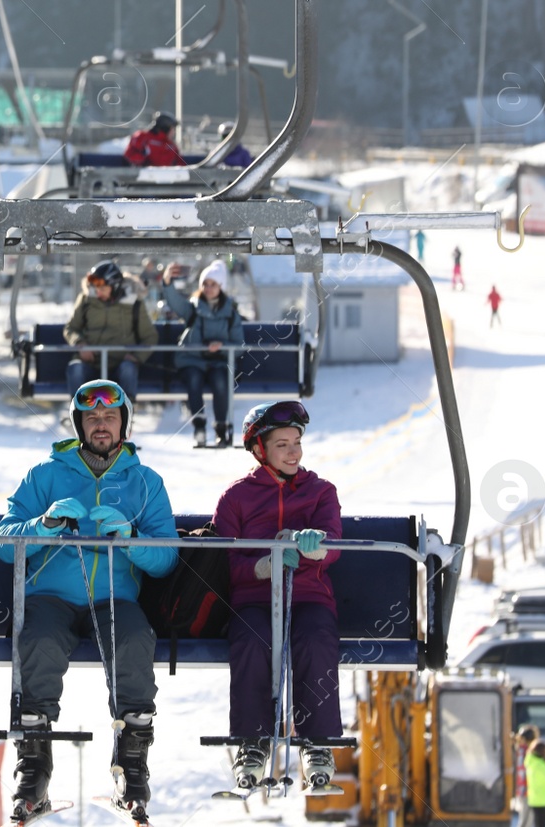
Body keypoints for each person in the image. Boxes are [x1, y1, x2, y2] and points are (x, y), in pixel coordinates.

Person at [0, 379, 180, 822]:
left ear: (123, 424)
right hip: (51, 596)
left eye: (110, 417)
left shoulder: (146, 483)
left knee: (135, 640)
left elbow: (168, 558)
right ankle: (33, 767)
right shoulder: (45, 475)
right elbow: (5, 543)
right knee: (37, 639)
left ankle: (132, 765)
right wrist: (45, 524)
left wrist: (131, 539)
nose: (101, 424)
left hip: (113, 599)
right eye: (92, 417)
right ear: (80, 424)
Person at [214, 401, 342, 792]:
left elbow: (335, 545)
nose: (293, 452)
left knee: (314, 637)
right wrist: (262, 566)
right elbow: (223, 562)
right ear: (260, 450)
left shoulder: (321, 492)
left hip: (308, 594)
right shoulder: (237, 498)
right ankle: (252, 743)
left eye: (297, 443)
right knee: (252, 639)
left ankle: (316, 743)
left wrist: (315, 546)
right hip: (255, 597)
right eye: (282, 444)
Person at [174, 260, 246, 448]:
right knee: (193, 380)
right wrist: (167, 283)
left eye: (213, 284)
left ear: (221, 286)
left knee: (221, 381)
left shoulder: (230, 313)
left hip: (219, 361)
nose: (208, 288)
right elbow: (174, 302)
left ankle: (221, 428)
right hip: (193, 360)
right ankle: (199, 426)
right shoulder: (193, 308)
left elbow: (239, 345)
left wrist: (221, 346)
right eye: (205, 284)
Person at [64, 261, 157, 401]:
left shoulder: (133, 303)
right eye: (95, 288)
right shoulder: (86, 300)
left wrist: (136, 357)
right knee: (76, 369)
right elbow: (71, 328)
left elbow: (150, 337)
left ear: (114, 286)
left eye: (102, 288)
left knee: (128, 369)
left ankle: (126, 413)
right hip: (92, 363)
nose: (97, 292)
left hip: (120, 363)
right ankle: (80, 412)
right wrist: (80, 343)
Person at [513, 724, 541, 827]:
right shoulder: (528, 751)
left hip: (522, 787)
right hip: (528, 788)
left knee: (525, 816)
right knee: (527, 818)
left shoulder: (519, 750)